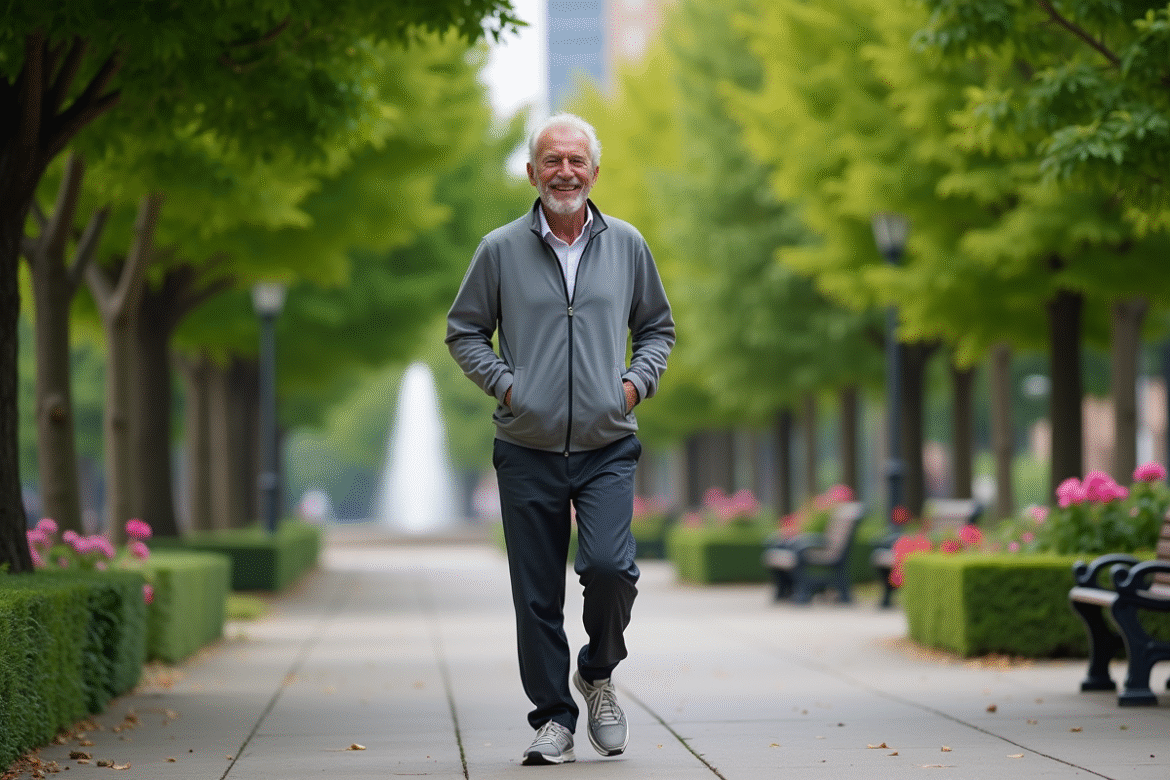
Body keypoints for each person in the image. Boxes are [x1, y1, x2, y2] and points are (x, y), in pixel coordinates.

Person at [446, 112, 674, 765]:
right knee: (536, 594)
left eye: (576, 161)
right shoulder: (499, 250)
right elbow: (464, 331)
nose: (565, 172)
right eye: (552, 161)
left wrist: (631, 387)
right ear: (532, 172)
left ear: (594, 172)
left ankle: (597, 671)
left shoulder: (627, 245)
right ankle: (553, 718)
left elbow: (657, 329)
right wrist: (510, 388)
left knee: (609, 569)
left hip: (607, 442)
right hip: (527, 445)